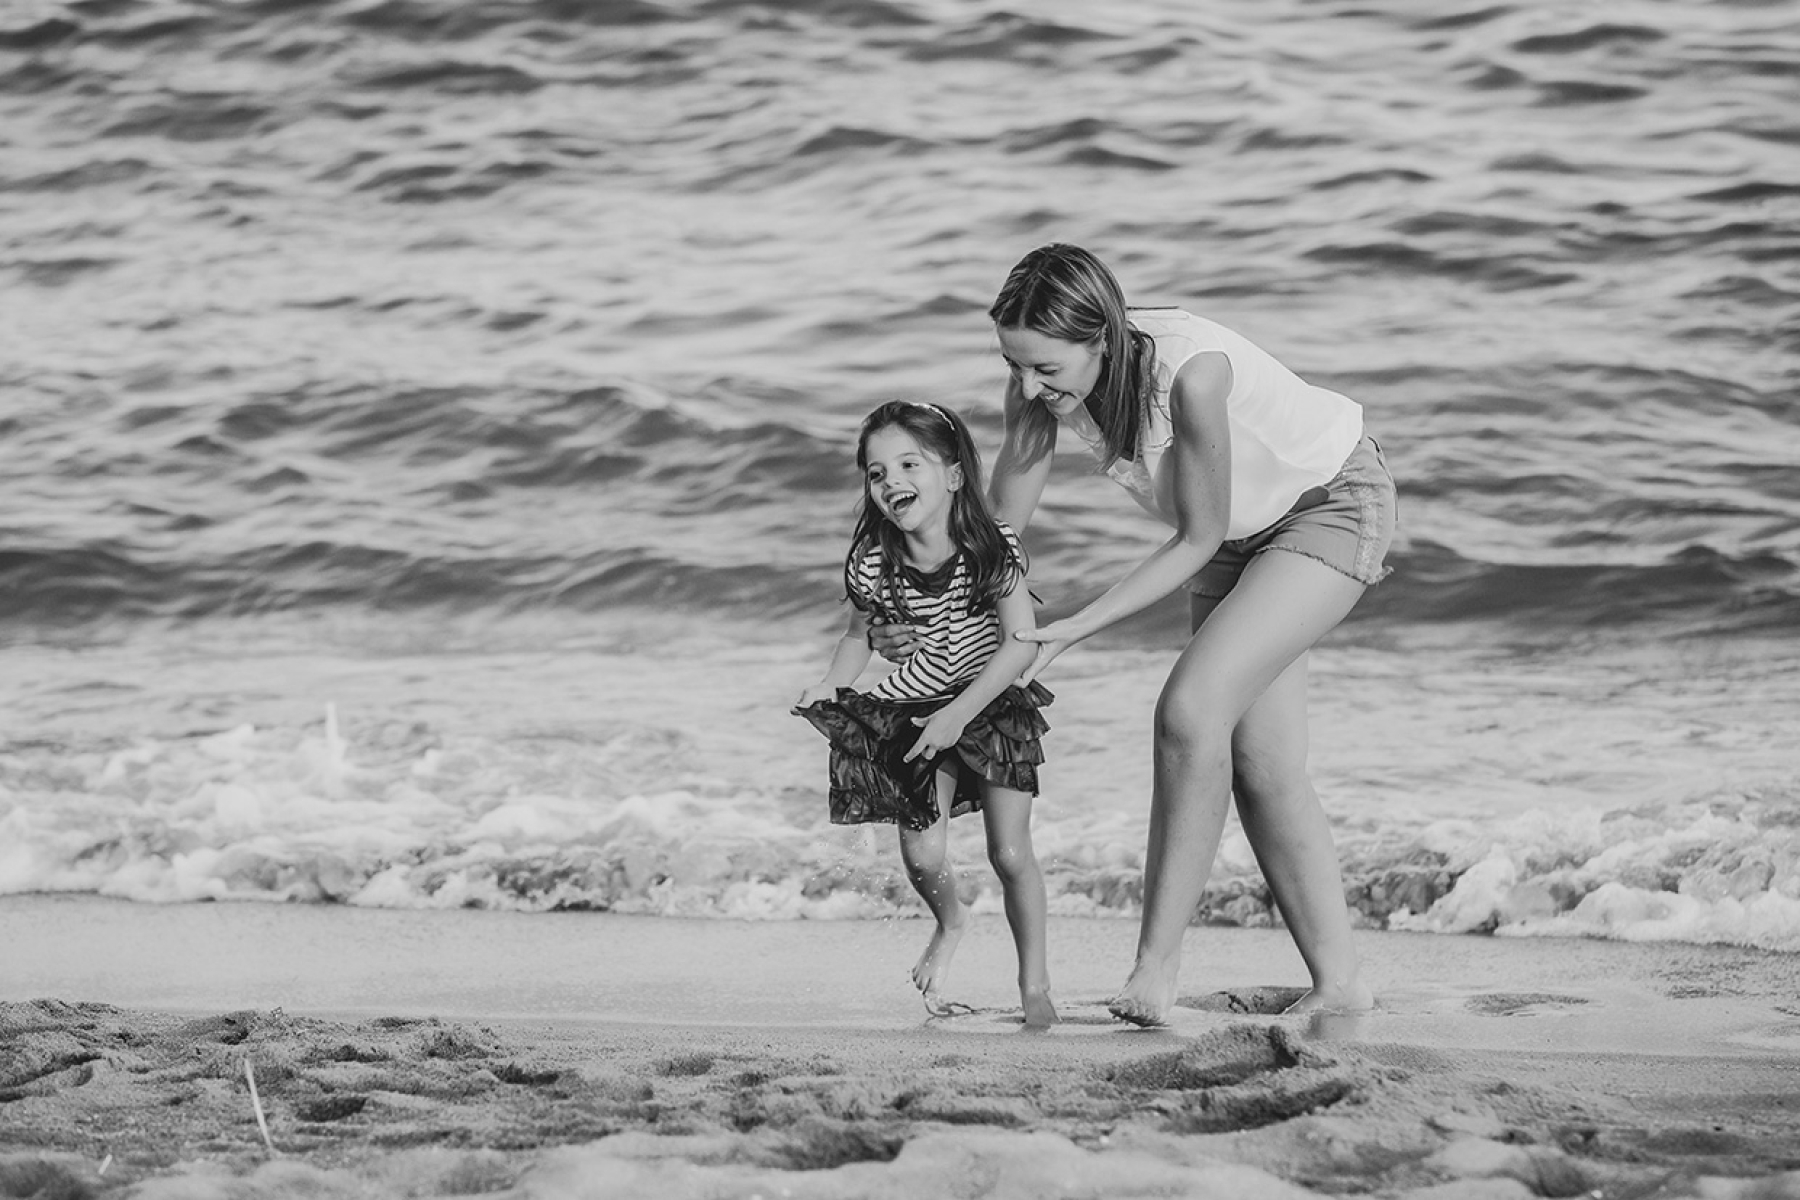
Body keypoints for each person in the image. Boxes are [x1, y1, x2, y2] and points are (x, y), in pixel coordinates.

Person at [876, 244, 1396, 1026]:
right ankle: (1342, 984)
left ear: (1103, 339)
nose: (1027, 386)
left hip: (1329, 507)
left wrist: (1071, 629)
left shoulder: (1192, 375)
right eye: (1014, 364)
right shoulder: (1042, 384)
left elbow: (1196, 535)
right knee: (1262, 762)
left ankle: (1153, 970)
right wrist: (950, 611)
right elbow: (1002, 530)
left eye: (1046, 368)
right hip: (1235, 539)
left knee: (1188, 712)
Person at [793, 400, 1059, 1028]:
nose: (891, 483)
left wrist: (960, 716)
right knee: (921, 856)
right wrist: (831, 685)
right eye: (876, 473)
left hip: (989, 703)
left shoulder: (993, 548)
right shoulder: (871, 559)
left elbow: (1021, 642)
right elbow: (858, 636)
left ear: (955, 474)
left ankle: (1036, 988)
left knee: (1011, 854)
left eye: (909, 463)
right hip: (914, 707)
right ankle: (952, 921)